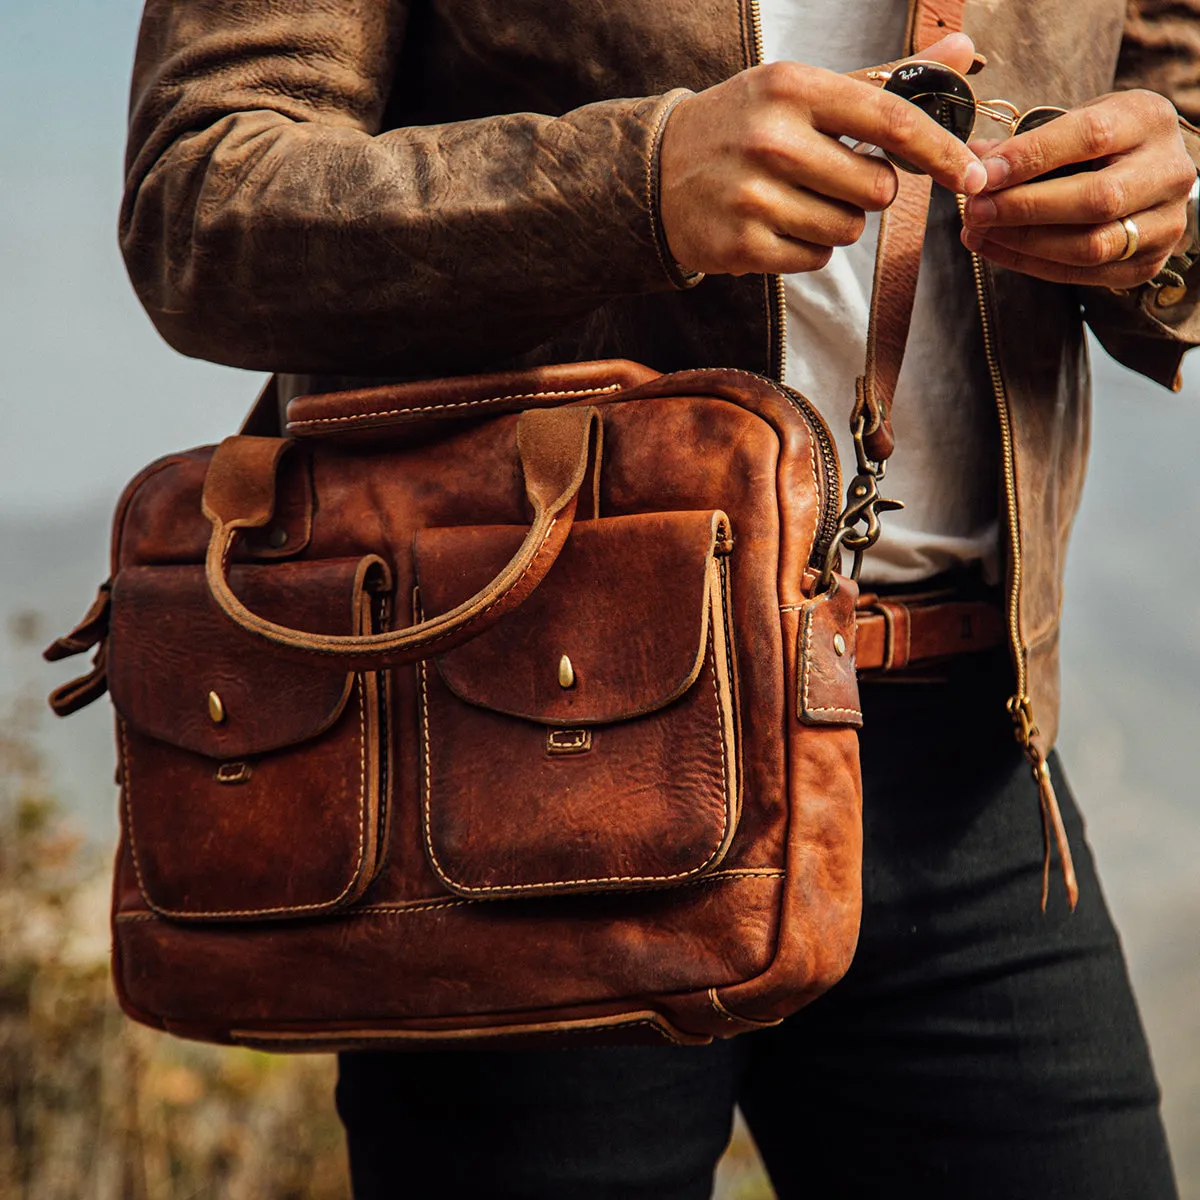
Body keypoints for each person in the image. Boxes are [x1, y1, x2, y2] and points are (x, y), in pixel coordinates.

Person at [118, 0, 1199, 1195]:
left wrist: (1173, 211)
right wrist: (635, 182)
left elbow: (1181, 126)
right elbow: (202, 197)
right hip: (523, 751)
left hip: (968, 755)